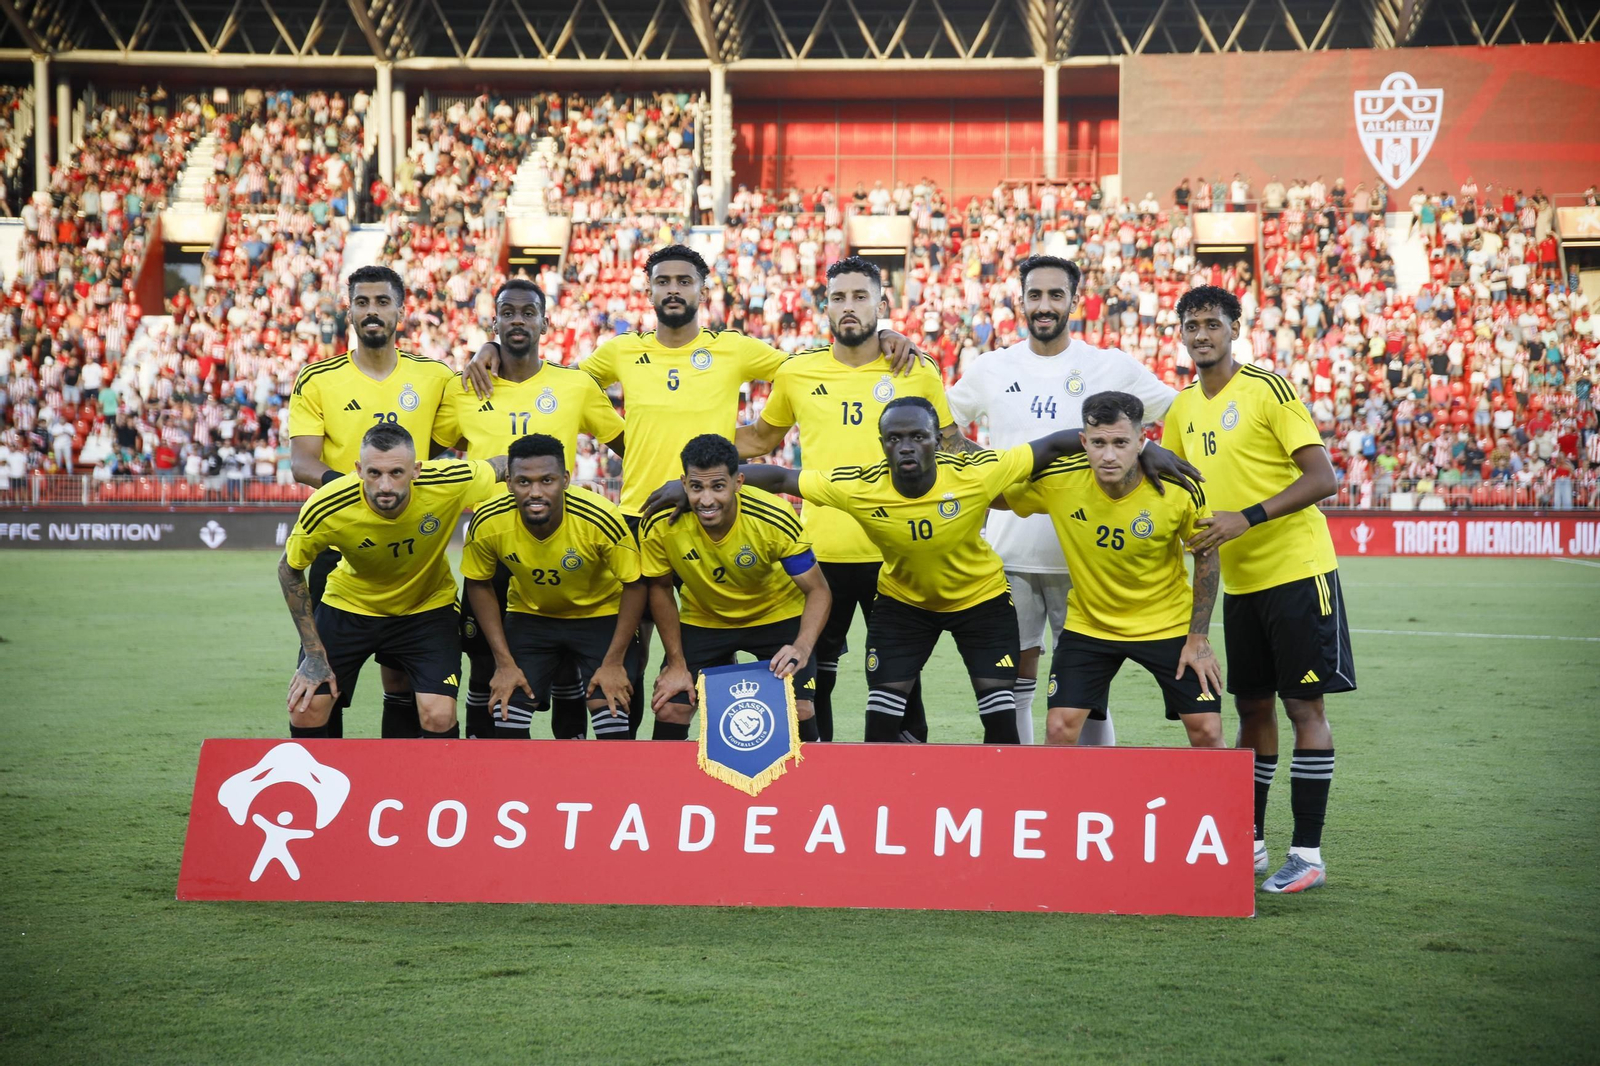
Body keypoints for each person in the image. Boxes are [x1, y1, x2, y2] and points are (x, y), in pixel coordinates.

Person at [466, 245, 920, 731]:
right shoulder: (622, 351)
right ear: (649, 291)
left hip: (712, 509)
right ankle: (631, 753)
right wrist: (494, 347)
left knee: (708, 632)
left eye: (685, 282)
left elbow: (808, 367)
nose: (674, 290)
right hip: (642, 516)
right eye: (664, 281)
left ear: (702, 291)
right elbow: (551, 383)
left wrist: (881, 335)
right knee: (633, 655)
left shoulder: (736, 348)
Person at [734, 396, 1199, 743]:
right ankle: (884, 810)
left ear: (939, 440)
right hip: (903, 605)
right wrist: (700, 485)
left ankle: (1001, 814)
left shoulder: (978, 471)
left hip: (981, 603)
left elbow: (1057, 443)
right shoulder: (859, 485)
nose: (906, 446)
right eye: (895, 438)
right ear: (883, 445)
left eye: (918, 436)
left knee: (999, 716)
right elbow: (778, 478)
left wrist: (1145, 451)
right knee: (881, 720)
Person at [1163, 285, 1350, 894]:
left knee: (1305, 708)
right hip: (1238, 584)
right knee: (1251, 709)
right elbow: (1174, 486)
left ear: (1235, 328)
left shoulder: (1267, 388)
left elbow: (1323, 477)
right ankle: (1250, 845)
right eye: (1191, 325)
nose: (1201, 335)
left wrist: (1247, 517)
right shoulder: (1183, 409)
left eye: (1212, 323)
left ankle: (1309, 854)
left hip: (1298, 570)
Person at [947, 255, 1177, 745]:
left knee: (1088, 689)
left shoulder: (1110, 364)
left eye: (1056, 295)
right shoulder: (993, 366)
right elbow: (940, 423)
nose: (1044, 305)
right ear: (1021, 301)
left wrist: (1150, 449)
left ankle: (1092, 793)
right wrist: (982, 469)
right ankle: (1028, 786)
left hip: (1087, 556)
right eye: (1035, 295)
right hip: (1010, 552)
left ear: (1075, 300)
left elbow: (1177, 410)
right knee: (1018, 678)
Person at [730, 257, 956, 743]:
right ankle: (820, 779)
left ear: (881, 303)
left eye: (859, 296)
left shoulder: (917, 370)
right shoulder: (798, 372)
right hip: (818, 555)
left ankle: (905, 786)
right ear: (825, 306)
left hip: (894, 554)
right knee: (813, 680)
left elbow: (954, 448)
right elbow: (760, 438)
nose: (848, 307)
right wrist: (682, 446)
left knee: (900, 679)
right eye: (838, 298)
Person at [434, 278, 627, 740]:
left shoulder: (575, 385)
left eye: (527, 312)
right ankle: (483, 762)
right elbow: (438, 452)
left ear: (545, 322)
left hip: (555, 539)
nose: (517, 319)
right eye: (507, 312)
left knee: (567, 671)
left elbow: (628, 446)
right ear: (494, 321)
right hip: (493, 546)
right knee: (484, 664)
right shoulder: (464, 387)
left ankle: (568, 759)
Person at [287, 264, 456, 738]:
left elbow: (441, 445)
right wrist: (361, 493)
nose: (372, 311)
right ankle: (331, 801)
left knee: (403, 678)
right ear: (350, 311)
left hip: (412, 552)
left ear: (401, 311)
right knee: (324, 687)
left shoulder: (434, 377)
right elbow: (302, 462)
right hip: (338, 550)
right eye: (362, 302)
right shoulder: (318, 379)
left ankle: (400, 792)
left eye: (382, 302)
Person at [1001, 391, 1222, 748]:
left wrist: (1197, 638)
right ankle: (1058, 803)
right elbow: (991, 491)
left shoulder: (1180, 488)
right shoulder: (1060, 479)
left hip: (1167, 624)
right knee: (1059, 727)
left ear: (1141, 442)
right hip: (1091, 625)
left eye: (1120, 442)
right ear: (1083, 442)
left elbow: (1208, 557)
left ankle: (1215, 806)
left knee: (1208, 730)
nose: (1108, 455)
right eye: (1098, 443)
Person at [279, 423, 506, 739]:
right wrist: (314, 653)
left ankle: (440, 788)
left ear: (416, 470)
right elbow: (289, 569)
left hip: (426, 609)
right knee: (306, 709)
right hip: (349, 607)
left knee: (438, 715)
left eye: (396, 473)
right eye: (374, 473)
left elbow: (507, 464)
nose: (385, 485)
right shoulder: (328, 505)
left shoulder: (450, 482)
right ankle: (318, 786)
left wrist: (569, 488)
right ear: (359, 470)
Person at [641, 434, 831, 742]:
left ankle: (811, 784)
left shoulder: (774, 519)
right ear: (683, 483)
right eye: (696, 486)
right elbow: (660, 588)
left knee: (800, 710)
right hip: (705, 619)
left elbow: (818, 590)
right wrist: (676, 663)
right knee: (669, 708)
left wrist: (802, 647)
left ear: (738, 482)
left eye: (718, 486)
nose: (706, 500)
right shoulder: (662, 523)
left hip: (776, 616)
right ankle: (668, 789)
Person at [462, 434, 643, 741]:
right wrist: (504, 663)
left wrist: (613, 662)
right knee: (507, 710)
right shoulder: (488, 520)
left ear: (566, 480)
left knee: (611, 708)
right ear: (508, 482)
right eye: (523, 482)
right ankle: (518, 788)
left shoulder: (600, 518)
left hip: (600, 615)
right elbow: (478, 584)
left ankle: (607, 787)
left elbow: (635, 585)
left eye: (547, 480)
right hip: (532, 617)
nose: (535, 492)